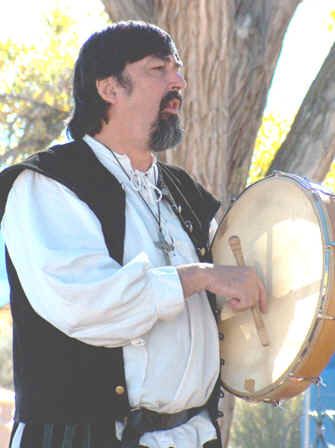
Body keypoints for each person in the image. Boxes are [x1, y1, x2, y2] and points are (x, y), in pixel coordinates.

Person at [0, 21, 266, 448]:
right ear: (110, 88)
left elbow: (241, 295)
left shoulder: (186, 194)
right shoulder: (49, 184)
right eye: (158, 69)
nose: (179, 80)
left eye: (177, 68)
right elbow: (89, 304)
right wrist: (198, 276)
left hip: (194, 436)